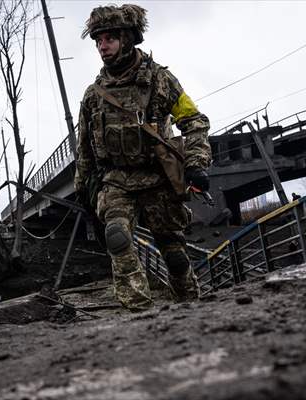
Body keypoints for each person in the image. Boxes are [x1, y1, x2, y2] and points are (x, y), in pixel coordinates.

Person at [74, 4, 212, 311]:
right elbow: (83, 146)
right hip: (116, 180)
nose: (102, 46)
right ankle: (139, 312)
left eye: (109, 38)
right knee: (117, 237)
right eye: (98, 40)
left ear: (126, 38)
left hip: (157, 177)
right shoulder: (93, 94)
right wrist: (83, 187)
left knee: (173, 252)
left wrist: (196, 163)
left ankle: (192, 306)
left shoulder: (160, 80)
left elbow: (194, 120)